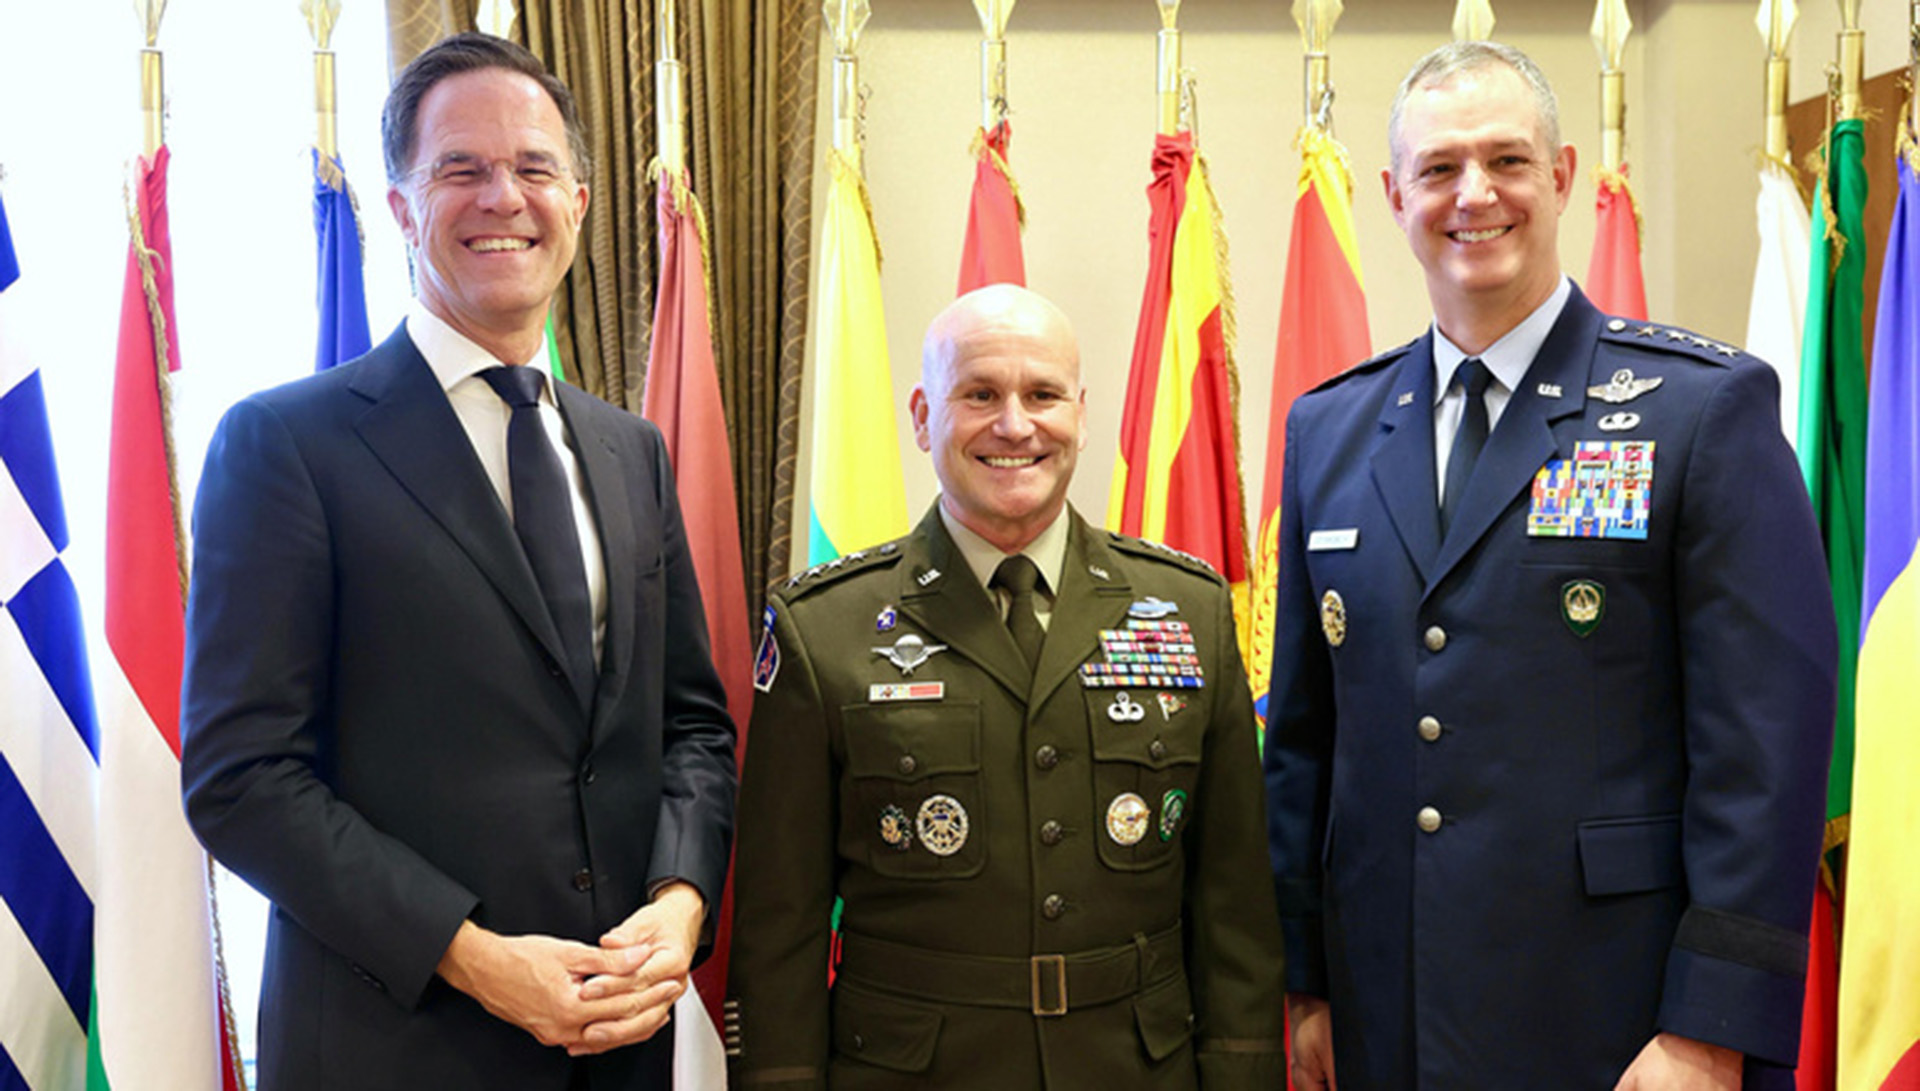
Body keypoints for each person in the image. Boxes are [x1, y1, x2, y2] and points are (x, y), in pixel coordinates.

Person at [1264, 40, 1837, 1091]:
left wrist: (1710, 1026)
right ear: (1394, 196)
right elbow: (1304, 738)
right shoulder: (1330, 431)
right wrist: (1306, 981)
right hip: (1384, 1010)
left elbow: (1764, 749)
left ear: (1563, 176)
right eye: (1439, 169)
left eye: (1507, 161)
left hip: (1616, 1019)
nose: (1473, 195)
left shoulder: (1698, 411)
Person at [181, 32, 735, 1090]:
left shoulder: (632, 452)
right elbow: (242, 778)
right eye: (460, 170)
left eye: (532, 169)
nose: (503, 198)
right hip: (396, 1042)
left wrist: (680, 899)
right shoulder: (286, 444)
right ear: (399, 206)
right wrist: (477, 959)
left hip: (619, 1049)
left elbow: (692, 727)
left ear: (578, 198)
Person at [725, 284, 1286, 1089]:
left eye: (1043, 395)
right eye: (980, 393)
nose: (1016, 424)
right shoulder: (825, 629)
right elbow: (781, 929)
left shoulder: (1189, 611)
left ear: (1082, 415)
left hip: (1135, 1069)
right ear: (923, 417)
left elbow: (1235, 909)